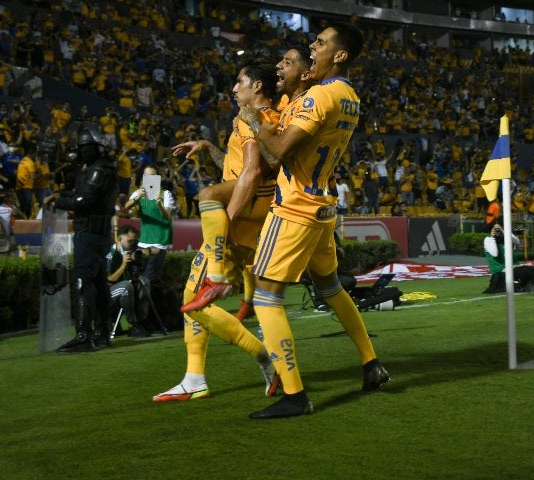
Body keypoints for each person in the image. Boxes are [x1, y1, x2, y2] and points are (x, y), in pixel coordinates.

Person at [239, 23, 389, 419]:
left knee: (266, 297)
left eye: (320, 43)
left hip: (294, 208)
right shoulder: (350, 96)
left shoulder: (320, 96)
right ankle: (371, 363)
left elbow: (279, 153)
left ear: (339, 55)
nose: (313, 46)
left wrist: (255, 119)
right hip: (322, 207)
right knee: (331, 288)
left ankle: (295, 394)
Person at [152, 58, 298, 402]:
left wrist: (225, 220)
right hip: (256, 227)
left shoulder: (251, 118)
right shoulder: (269, 120)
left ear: (256, 87)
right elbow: (246, 170)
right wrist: (210, 148)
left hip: (235, 228)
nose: (234, 88)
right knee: (195, 298)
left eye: (239, 82)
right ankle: (194, 378)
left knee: (193, 301)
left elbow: (249, 174)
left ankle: (263, 358)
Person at [44, 123, 119, 353]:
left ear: (95, 148)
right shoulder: (104, 168)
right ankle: (102, 333)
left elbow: (84, 201)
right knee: (98, 282)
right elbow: (84, 196)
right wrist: (64, 195)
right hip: (99, 233)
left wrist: (58, 201)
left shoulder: (98, 170)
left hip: (89, 233)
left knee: (83, 281)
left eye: (85, 146)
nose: (82, 150)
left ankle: (84, 335)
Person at [124, 164, 175, 287]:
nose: (150, 179)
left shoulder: (166, 194)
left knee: (148, 280)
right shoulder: (138, 193)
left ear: (158, 177)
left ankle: (150, 304)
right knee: (142, 279)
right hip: (143, 241)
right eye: (147, 176)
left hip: (159, 241)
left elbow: (167, 216)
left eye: (153, 176)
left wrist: (159, 203)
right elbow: (126, 207)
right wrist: (137, 198)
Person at [106, 225, 153, 338]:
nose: (132, 244)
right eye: (130, 241)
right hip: (107, 295)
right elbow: (108, 280)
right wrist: (123, 265)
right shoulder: (111, 254)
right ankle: (133, 324)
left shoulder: (130, 252)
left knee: (144, 281)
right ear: (120, 239)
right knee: (126, 286)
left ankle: (141, 321)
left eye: (134, 241)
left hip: (123, 292)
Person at [482, 224, 534, 294]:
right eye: (496, 229)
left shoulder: (506, 238)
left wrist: (506, 233)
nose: (498, 231)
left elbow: (517, 241)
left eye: (499, 229)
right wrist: (493, 238)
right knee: (515, 279)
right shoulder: (488, 239)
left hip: (513, 268)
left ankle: (527, 285)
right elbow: (494, 253)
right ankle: (522, 287)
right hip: (500, 271)